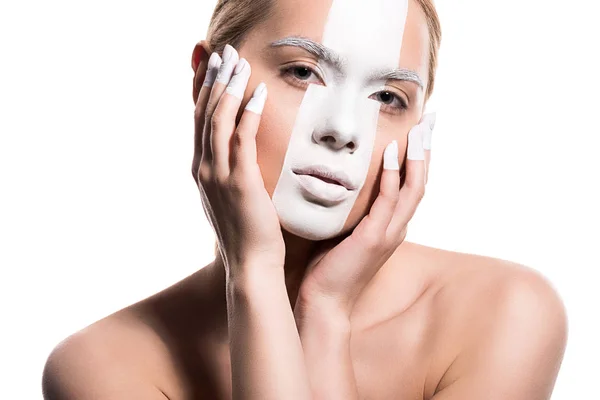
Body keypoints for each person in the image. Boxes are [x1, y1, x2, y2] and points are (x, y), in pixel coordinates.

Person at [42, 0, 568, 398]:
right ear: (208, 79)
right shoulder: (103, 365)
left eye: (387, 97)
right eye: (302, 72)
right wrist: (255, 274)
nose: (342, 129)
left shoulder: (502, 313)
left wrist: (326, 312)